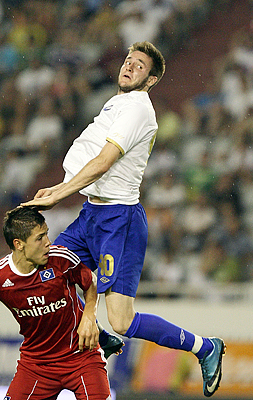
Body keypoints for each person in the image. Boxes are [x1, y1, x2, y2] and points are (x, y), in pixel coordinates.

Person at [22, 41, 225, 397]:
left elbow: (104, 161)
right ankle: (102, 337)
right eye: (129, 61)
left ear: (152, 80)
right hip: (91, 214)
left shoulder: (138, 109)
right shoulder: (117, 102)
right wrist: (59, 186)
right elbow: (91, 165)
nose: (130, 67)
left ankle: (205, 347)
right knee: (47, 276)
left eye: (140, 66)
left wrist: (57, 194)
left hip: (120, 220)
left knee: (123, 318)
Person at [0, 206, 111, 400]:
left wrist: (89, 315)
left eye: (46, 234)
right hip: (37, 365)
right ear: (19, 244)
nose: (48, 243)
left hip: (81, 356)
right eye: (39, 238)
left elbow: (90, 282)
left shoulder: (61, 258)